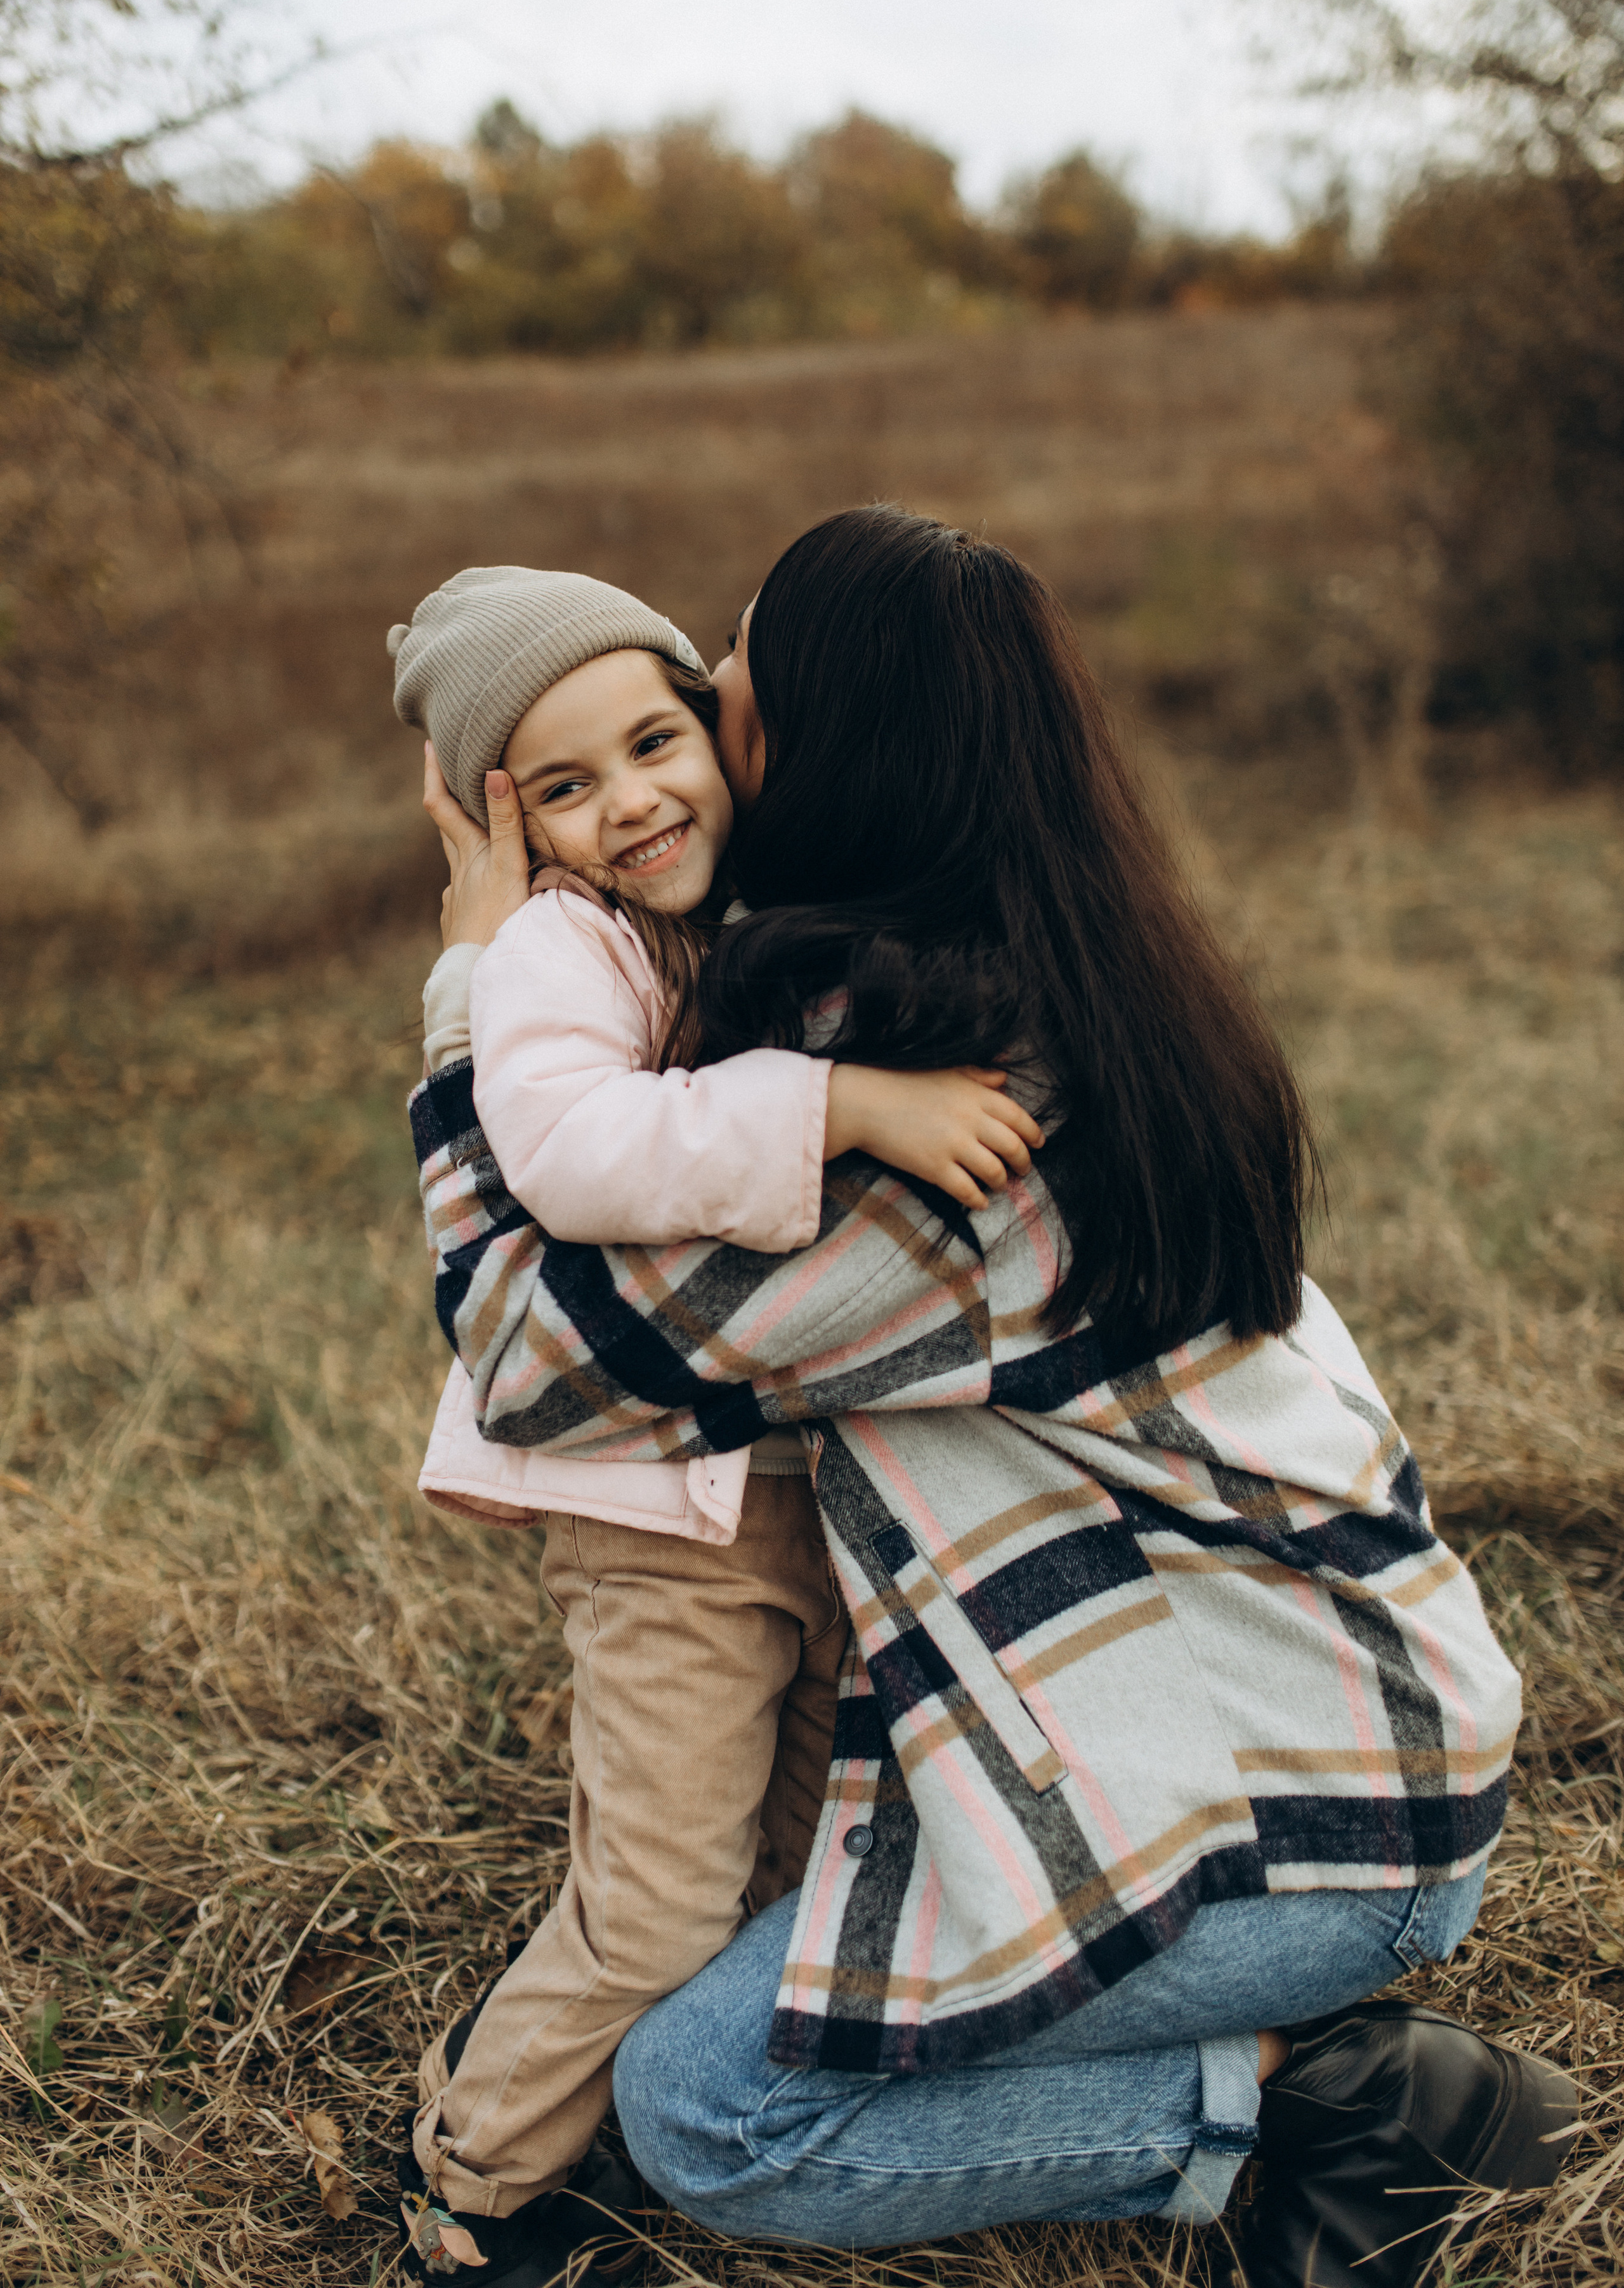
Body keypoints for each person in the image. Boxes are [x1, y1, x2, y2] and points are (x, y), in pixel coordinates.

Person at [406, 511, 1576, 2288]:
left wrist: (472, 990)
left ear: (832, 751)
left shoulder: (947, 1141)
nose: (706, 713)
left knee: (709, 2108)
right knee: (758, 1980)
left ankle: (1315, 2104)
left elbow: (528, 1361)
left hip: (1308, 1820)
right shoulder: (1062, 972)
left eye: (734, 686)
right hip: (1301, 1734)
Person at [388, 565, 1044, 2280]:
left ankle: (616, 2107)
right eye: (568, 787)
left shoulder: (738, 918)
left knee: (779, 1863)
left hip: (780, 1500)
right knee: (663, 1895)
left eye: (658, 742)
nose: (633, 802)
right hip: (653, 1518)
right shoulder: (562, 948)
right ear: (513, 828)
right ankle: (476, 2186)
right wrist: (843, 1103)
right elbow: (570, 1154)